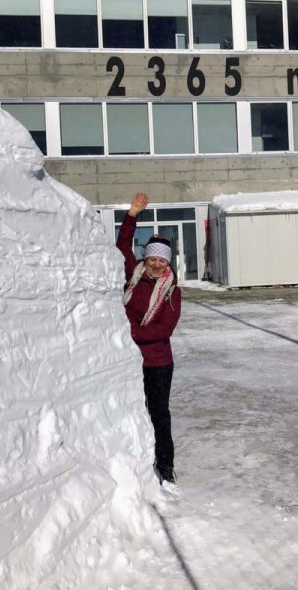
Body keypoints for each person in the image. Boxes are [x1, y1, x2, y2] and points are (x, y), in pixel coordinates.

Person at [116, 193, 182, 485]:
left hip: (157, 363)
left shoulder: (171, 291)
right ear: (146, 258)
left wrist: (131, 333)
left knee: (158, 412)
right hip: (129, 359)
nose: (156, 264)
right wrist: (132, 215)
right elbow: (122, 247)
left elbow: (164, 329)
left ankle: (165, 465)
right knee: (132, 410)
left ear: (167, 263)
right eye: (152, 258)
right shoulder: (135, 275)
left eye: (161, 261)